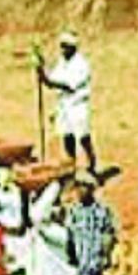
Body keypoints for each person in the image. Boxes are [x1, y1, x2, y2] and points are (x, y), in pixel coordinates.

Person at [38, 30, 97, 174]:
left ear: (73, 48)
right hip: (64, 104)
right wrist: (41, 71)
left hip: (77, 104)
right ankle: (72, 163)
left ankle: (91, 163)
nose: (63, 50)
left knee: (82, 135)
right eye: (62, 46)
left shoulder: (81, 65)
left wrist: (46, 79)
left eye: (66, 47)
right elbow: (52, 81)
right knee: (67, 134)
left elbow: (68, 85)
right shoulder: (62, 62)